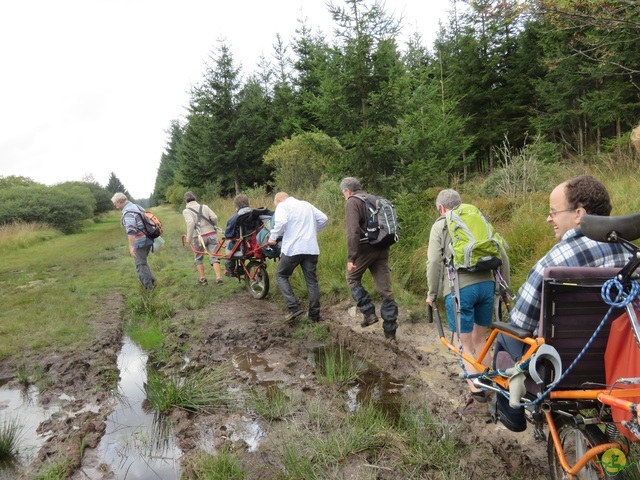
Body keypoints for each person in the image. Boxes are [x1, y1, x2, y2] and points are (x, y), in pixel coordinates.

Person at [495, 175, 629, 431]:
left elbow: (522, 320)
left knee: (503, 334)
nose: (549, 219)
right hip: (619, 370)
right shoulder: (630, 255)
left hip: (559, 371)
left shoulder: (555, 261)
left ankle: (511, 417)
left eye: (553, 212)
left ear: (578, 214)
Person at [426, 189, 510, 408]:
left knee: (462, 343)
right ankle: (490, 383)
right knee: (481, 339)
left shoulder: (441, 225)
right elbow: (503, 255)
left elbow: (434, 262)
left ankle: (477, 391)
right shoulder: (477, 220)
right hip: (487, 286)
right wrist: (503, 288)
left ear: (441, 208)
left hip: (460, 289)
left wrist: (431, 294)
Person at [339, 177, 398, 340]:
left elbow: (353, 232)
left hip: (366, 250)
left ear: (347, 191)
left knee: (351, 278)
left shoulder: (352, 201)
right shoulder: (373, 198)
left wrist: (351, 257)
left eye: (344, 194)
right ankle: (390, 333)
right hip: (382, 247)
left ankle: (368, 312)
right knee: (386, 291)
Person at [267, 192, 328, 322]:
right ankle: (314, 315)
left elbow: (281, 222)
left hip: (293, 249)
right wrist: (312, 231)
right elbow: (324, 219)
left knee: (281, 275)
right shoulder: (306, 204)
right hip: (311, 248)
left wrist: (272, 238)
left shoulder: (282, 206)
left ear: (279, 201)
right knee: (312, 281)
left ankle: (294, 307)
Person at [111, 192, 157, 290]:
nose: (116, 207)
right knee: (143, 262)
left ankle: (149, 289)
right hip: (148, 238)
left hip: (141, 241)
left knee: (140, 265)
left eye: (116, 204)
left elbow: (131, 230)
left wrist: (131, 246)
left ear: (120, 202)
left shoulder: (128, 212)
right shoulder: (137, 206)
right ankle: (152, 281)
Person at [182, 191, 223, 286]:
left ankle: (203, 279)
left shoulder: (186, 211)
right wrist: (214, 227)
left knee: (198, 258)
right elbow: (214, 217)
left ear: (185, 201)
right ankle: (218, 278)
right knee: (214, 256)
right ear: (195, 198)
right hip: (211, 234)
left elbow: (190, 223)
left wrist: (189, 238)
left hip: (198, 237)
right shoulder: (204, 207)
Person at [223, 194, 252, 277]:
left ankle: (230, 271)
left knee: (228, 246)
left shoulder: (234, 218)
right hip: (255, 244)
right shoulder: (255, 214)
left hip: (241, 245)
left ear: (236, 205)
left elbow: (228, 235)